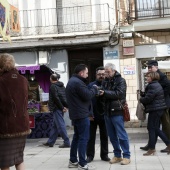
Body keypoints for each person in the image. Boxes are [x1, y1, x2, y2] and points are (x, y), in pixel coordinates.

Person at [0, 53, 30, 170]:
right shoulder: (23, 79)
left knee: (4, 163)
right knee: (19, 159)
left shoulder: (1, 81)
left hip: (5, 128)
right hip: (22, 125)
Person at [66, 64, 98, 170]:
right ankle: (82, 163)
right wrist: (94, 89)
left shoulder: (72, 81)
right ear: (81, 73)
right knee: (83, 138)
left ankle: (73, 160)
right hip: (81, 114)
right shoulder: (78, 83)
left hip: (76, 114)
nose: (87, 75)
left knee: (77, 137)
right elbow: (88, 95)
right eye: (87, 73)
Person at [99, 63, 131, 165]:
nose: (106, 74)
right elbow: (103, 94)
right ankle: (117, 155)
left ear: (113, 71)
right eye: (105, 72)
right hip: (107, 112)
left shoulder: (121, 80)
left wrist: (104, 93)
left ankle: (126, 156)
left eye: (108, 72)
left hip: (117, 111)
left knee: (121, 135)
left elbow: (119, 94)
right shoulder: (105, 81)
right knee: (112, 136)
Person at [140, 60, 170, 153]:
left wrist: (160, 96)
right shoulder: (154, 81)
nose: (149, 69)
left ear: (156, 67)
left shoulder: (160, 76)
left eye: (150, 67)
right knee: (153, 127)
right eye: (148, 67)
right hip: (158, 105)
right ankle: (151, 145)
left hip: (160, 105)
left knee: (164, 125)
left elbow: (167, 87)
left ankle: (165, 145)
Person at [86, 66, 110, 163]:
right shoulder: (91, 85)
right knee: (90, 137)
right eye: (99, 74)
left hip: (105, 115)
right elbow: (86, 100)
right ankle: (90, 156)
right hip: (93, 115)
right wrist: (88, 114)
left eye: (103, 74)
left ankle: (104, 155)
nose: (101, 76)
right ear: (96, 75)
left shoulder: (108, 85)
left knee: (104, 136)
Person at [43, 73, 70, 148]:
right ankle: (50, 142)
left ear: (51, 79)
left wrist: (61, 107)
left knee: (60, 125)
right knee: (55, 126)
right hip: (61, 107)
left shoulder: (53, 86)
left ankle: (67, 142)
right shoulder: (62, 86)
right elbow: (64, 97)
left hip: (57, 107)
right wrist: (65, 106)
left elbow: (56, 98)